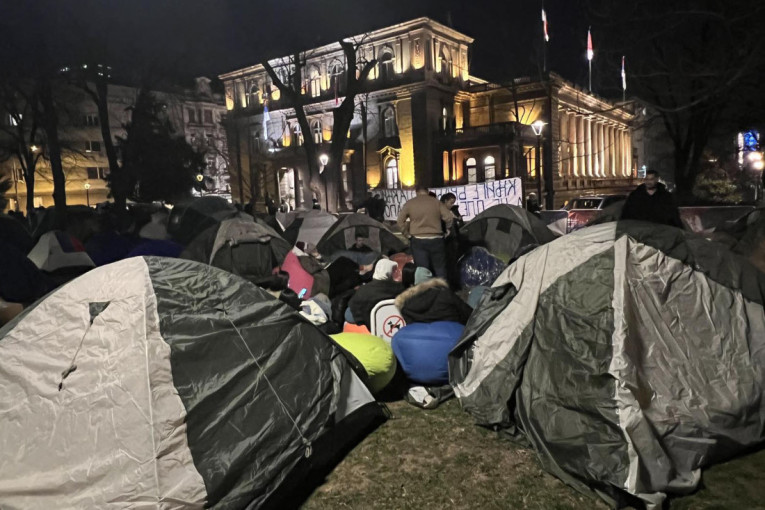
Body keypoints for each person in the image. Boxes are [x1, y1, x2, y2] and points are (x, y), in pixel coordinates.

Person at [397, 185, 453, 279]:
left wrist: (407, 234)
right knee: (440, 268)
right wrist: (448, 229)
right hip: (436, 239)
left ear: (416, 192)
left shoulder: (410, 203)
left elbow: (400, 221)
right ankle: (443, 290)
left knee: (422, 270)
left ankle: (425, 290)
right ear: (427, 192)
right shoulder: (436, 202)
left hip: (418, 240)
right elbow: (449, 217)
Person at [345, 259, 403, 328]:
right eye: (395, 270)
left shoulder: (363, 290)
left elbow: (351, 311)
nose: (398, 272)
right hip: (390, 324)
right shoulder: (399, 289)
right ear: (389, 272)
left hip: (365, 327)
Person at [440, 192, 462, 289]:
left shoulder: (451, 211)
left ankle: (453, 283)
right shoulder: (440, 212)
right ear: (445, 201)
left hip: (453, 241)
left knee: (453, 263)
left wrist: (458, 219)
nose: (452, 205)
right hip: (446, 242)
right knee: (448, 264)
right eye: (451, 203)